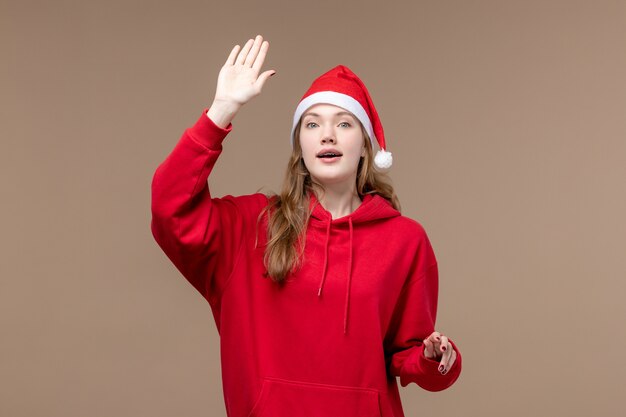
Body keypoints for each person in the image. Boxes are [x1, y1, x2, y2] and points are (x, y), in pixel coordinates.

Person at [151, 34, 462, 417]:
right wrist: (220, 112)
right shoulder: (251, 225)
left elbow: (410, 356)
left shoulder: (405, 240)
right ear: (300, 143)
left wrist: (434, 357)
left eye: (344, 123)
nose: (327, 134)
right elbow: (170, 208)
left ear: (365, 144)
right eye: (313, 124)